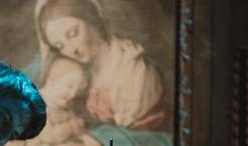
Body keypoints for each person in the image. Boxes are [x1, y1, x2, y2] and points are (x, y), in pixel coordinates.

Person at [36, 0, 168, 132]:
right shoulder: (72, 72)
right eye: (60, 46)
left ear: (91, 19)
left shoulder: (134, 69)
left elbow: (133, 136)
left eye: (73, 34)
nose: (71, 50)